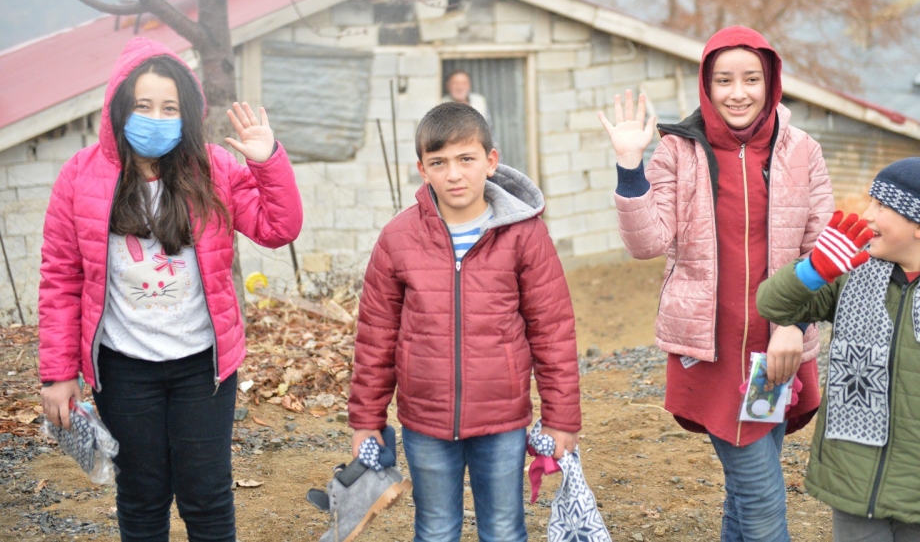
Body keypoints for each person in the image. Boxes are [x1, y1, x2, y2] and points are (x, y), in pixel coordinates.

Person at [38, 37, 303, 541]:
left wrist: (267, 161)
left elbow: (279, 227)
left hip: (202, 367)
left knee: (207, 497)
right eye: (143, 106)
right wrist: (58, 373)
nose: (155, 119)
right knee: (141, 495)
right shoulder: (79, 176)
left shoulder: (215, 169)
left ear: (188, 114)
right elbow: (60, 278)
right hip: (122, 368)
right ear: (119, 107)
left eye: (169, 108)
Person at [599, 26, 835, 541]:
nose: (738, 92)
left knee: (746, 492)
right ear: (706, 85)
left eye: (751, 78)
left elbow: (820, 254)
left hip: (778, 352)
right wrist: (630, 165)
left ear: (771, 82)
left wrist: (793, 326)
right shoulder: (677, 151)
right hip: (712, 354)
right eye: (724, 80)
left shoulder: (802, 151)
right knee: (763, 498)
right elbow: (646, 242)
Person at [348, 101, 581, 541]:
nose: (453, 174)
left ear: (490, 162)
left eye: (466, 159)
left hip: (502, 419)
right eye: (439, 162)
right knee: (435, 529)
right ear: (423, 169)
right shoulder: (398, 239)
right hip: (425, 420)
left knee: (504, 530)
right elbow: (376, 338)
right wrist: (366, 420)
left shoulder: (525, 235)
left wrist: (561, 418)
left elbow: (553, 331)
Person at [757, 158, 920, 541]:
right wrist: (813, 269)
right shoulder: (852, 269)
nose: (867, 214)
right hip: (852, 474)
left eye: (882, 206)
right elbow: (772, 305)